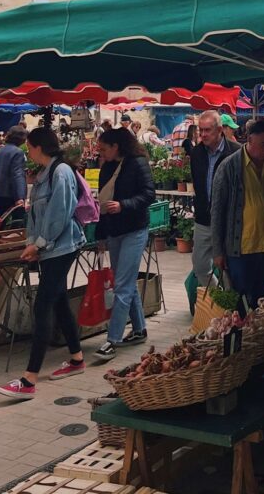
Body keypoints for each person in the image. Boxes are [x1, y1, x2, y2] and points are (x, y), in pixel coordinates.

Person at [0, 128, 85, 400]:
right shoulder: (45, 173)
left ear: (38, 147)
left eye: (29, 148)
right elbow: (37, 215)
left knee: (43, 303)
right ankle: (77, 359)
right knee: (57, 301)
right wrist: (33, 243)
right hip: (49, 248)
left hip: (63, 247)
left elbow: (60, 213)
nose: (27, 152)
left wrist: (39, 243)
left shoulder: (61, 173)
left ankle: (29, 378)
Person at [211, 119, 264, 307]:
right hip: (241, 248)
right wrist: (218, 251)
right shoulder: (229, 167)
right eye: (263, 144)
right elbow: (217, 210)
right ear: (249, 140)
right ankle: (241, 336)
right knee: (241, 303)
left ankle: (262, 335)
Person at [93, 127, 156, 360]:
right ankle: (139, 329)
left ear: (115, 146)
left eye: (103, 148)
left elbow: (150, 194)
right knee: (125, 281)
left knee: (122, 285)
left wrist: (124, 205)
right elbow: (102, 202)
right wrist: (101, 235)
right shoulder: (106, 168)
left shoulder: (138, 163)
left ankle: (113, 339)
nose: (100, 153)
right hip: (114, 231)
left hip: (134, 229)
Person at [189, 110, 241, 286]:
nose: (203, 134)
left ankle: (231, 308)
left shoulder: (236, 153)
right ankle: (218, 300)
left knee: (228, 268)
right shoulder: (197, 153)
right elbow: (197, 183)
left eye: (207, 130)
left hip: (228, 221)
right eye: (200, 130)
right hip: (204, 219)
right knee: (200, 267)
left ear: (219, 130)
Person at [0, 125, 28, 225]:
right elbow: (17, 174)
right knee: (18, 224)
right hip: (11, 194)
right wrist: (20, 197)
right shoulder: (18, 152)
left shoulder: (1, 150)